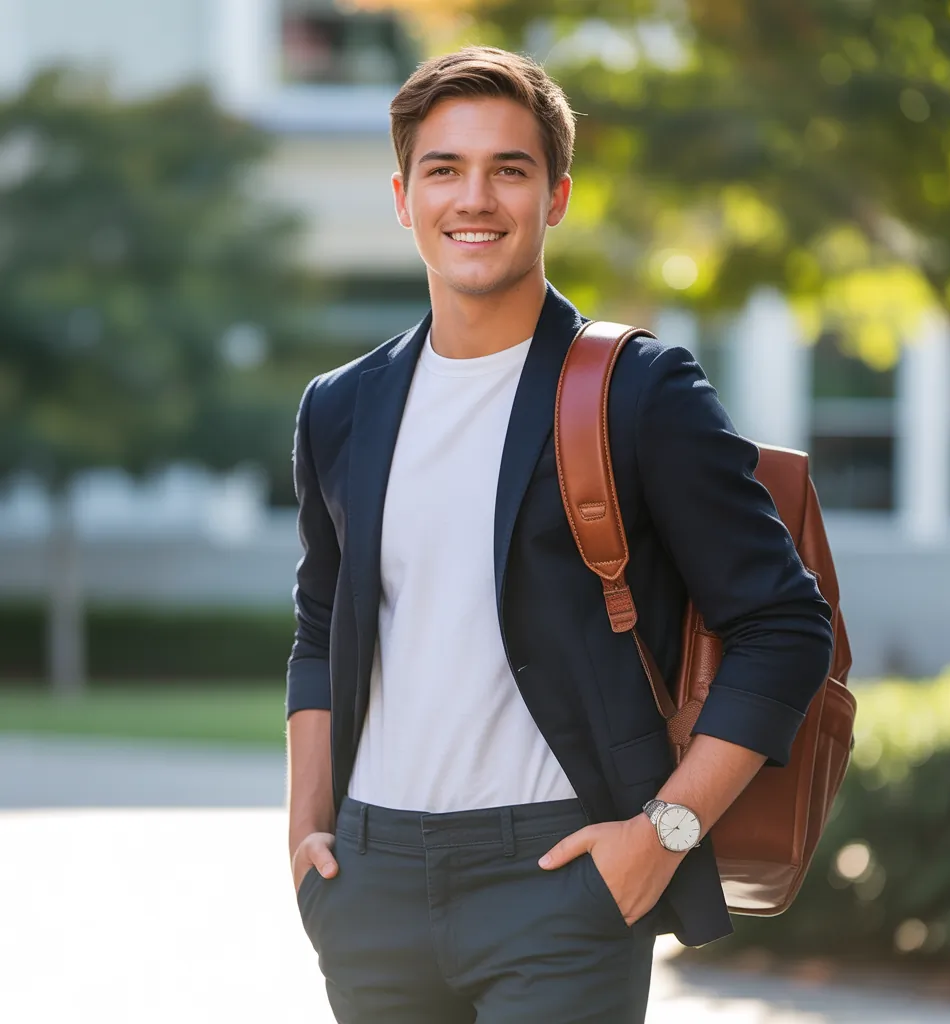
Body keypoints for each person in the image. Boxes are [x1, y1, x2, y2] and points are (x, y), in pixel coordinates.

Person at [285, 45, 834, 1024]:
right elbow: (322, 625)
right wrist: (306, 838)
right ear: (404, 198)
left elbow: (786, 627)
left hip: (558, 878)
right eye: (444, 168)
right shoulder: (340, 408)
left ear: (558, 195)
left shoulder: (635, 391)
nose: (476, 197)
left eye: (510, 168)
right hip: (368, 884)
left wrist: (662, 833)